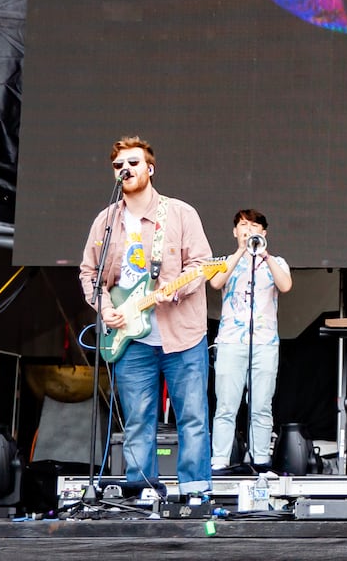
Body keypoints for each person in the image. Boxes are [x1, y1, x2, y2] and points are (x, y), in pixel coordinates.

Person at [79, 136, 214, 500]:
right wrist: (104, 307)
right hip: (130, 338)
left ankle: (195, 491)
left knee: (192, 417)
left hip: (181, 334)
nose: (126, 169)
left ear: (150, 168)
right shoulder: (106, 221)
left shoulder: (180, 213)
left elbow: (202, 266)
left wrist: (177, 288)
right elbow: (88, 273)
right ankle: (142, 489)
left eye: (134, 162)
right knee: (138, 420)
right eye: (119, 165)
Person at [210, 209, 293, 474]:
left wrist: (263, 255)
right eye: (243, 225)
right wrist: (241, 252)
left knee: (261, 406)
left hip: (265, 343)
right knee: (226, 405)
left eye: (255, 226)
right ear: (235, 231)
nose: (249, 229)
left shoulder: (277, 261)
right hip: (231, 342)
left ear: (264, 232)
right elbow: (216, 282)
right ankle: (220, 460)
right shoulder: (225, 260)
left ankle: (260, 460)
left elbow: (286, 285)